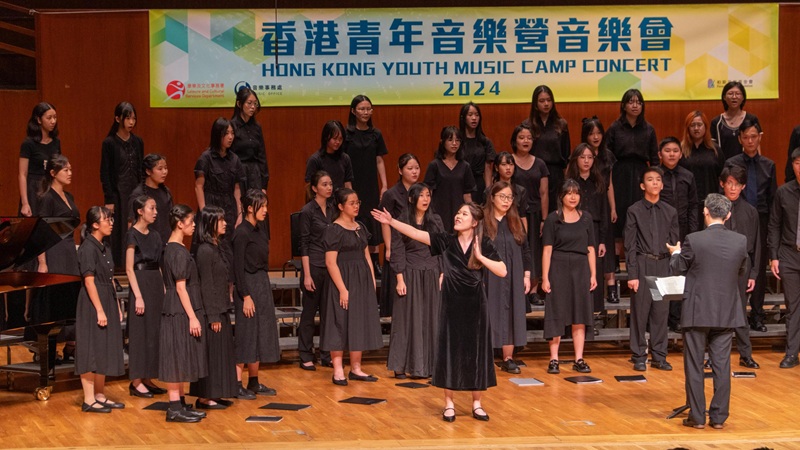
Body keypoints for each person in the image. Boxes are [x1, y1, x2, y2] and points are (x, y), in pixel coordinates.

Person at [372, 202, 507, 423]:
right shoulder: (447, 240)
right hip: (451, 302)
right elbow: (417, 233)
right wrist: (391, 222)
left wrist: (481, 257)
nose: (458, 216)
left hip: (475, 304)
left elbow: (502, 271)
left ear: (474, 222)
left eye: (464, 214)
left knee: (476, 351)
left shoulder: (483, 243)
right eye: (458, 212)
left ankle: (477, 403)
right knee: (449, 350)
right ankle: (449, 403)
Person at [668, 193, 748, 430]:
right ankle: (719, 417)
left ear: (705, 211)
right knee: (722, 365)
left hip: (698, 311)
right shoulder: (740, 240)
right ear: (728, 215)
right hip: (726, 311)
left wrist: (675, 252)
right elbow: (742, 270)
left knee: (694, 365)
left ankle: (697, 417)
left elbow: (677, 267)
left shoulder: (694, 239)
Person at [322, 188, 383, 386]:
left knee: (359, 321)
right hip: (342, 280)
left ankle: (356, 368)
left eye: (358, 203)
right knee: (339, 322)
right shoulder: (334, 229)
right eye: (352, 203)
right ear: (341, 206)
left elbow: (367, 257)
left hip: (361, 280)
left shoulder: (360, 227)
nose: (356, 206)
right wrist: (342, 289)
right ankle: (338, 369)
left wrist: (371, 282)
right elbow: (330, 262)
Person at [387, 183, 444, 379]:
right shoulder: (402, 220)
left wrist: (442, 273)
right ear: (412, 199)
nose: (426, 199)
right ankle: (401, 365)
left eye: (428, 195)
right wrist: (400, 278)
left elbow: (441, 248)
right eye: (422, 195)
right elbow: (397, 250)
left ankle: (429, 366)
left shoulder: (435, 220)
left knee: (431, 319)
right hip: (410, 273)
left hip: (431, 272)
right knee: (406, 319)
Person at [625, 167, 679, 371]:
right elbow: (630, 245)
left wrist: (674, 271)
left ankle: (659, 355)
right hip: (643, 263)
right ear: (642, 185)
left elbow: (674, 244)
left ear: (662, 185)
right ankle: (639, 355)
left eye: (658, 179)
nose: (655, 183)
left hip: (663, 264)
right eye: (650, 179)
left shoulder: (670, 211)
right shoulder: (634, 210)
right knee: (640, 313)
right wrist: (632, 274)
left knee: (660, 313)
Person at [725, 119, 776, 333]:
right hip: (737, 216)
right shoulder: (731, 163)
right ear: (740, 139)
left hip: (761, 219)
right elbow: (726, 192)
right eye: (745, 137)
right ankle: (732, 316)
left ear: (760, 137)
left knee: (759, 269)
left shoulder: (768, 165)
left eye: (754, 136)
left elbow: (772, 199)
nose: (750, 141)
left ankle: (757, 315)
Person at [541, 179, 597, 373]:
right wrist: (545, 277)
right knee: (557, 311)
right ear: (561, 196)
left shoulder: (587, 218)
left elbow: (591, 248)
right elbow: (547, 250)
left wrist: (593, 274)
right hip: (558, 266)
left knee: (579, 314)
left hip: (581, 268)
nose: (573, 197)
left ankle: (579, 358)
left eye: (576, 193)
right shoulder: (553, 219)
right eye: (569, 193)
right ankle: (554, 359)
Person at [160, 204, 208, 423]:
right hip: (178, 309)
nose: (194, 225)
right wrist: (193, 317)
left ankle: (180, 403)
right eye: (190, 221)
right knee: (176, 356)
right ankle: (174, 408)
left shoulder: (174, 248)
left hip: (175, 306)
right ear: (180, 224)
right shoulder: (177, 251)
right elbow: (180, 288)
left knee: (179, 354)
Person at [75, 206, 125, 413]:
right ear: (95, 224)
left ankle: (99, 395)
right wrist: (100, 310)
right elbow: (89, 282)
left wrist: (115, 305)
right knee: (91, 349)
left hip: (107, 298)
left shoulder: (105, 246)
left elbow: (110, 278)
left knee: (103, 347)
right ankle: (88, 400)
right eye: (107, 220)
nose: (111, 223)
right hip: (92, 302)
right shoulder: (88, 248)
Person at [190, 206, 239, 409]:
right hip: (213, 311)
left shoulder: (216, 247)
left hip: (221, 308)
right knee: (212, 355)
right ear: (210, 223)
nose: (225, 223)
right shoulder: (204, 250)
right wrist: (213, 316)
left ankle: (216, 394)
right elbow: (206, 285)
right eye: (220, 220)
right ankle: (205, 397)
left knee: (220, 354)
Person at [233, 189, 280, 396]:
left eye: (267, 206)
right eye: (263, 206)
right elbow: (237, 267)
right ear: (250, 208)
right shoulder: (241, 233)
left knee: (260, 332)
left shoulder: (260, 230)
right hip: (247, 285)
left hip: (261, 282)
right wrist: (246, 296)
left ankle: (254, 381)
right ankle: (236, 384)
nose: (266, 210)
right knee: (246, 334)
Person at [34, 155, 79, 361]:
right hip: (54, 252)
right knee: (55, 302)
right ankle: (48, 351)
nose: (70, 173)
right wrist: (42, 262)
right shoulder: (47, 198)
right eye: (65, 170)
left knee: (71, 299)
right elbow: (40, 233)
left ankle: (71, 346)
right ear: (53, 173)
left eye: (70, 169)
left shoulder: (68, 196)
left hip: (69, 251)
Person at [483, 181, 531, 374]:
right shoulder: (483, 222)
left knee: (512, 312)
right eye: (502, 196)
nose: (506, 201)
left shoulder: (515, 221)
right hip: (489, 276)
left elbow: (526, 250)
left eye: (509, 197)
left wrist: (527, 275)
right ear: (492, 198)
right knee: (489, 311)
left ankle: (508, 358)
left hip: (514, 274)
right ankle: (485, 356)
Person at [720, 166, 761, 369]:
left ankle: (745, 355)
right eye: (729, 183)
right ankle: (715, 356)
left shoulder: (751, 211)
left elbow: (757, 245)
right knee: (718, 312)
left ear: (743, 186)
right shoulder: (714, 209)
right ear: (722, 184)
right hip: (718, 269)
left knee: (740, 312)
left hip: (742, 268)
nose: (733, 188)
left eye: (737, 184)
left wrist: (753, 273)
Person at [657, 137, 699, 333]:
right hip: (660, 230)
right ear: (660, 154)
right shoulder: (655, 176)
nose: (672, 154)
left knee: (679, 274)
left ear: (681, 154)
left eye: (675, 150)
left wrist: (692, 232)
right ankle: (658, 318)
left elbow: (693, 205)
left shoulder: (688, 176)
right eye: (667, 150)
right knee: (661, 273)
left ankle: (676, 318)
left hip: (683, 230)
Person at [125, 195, 166, 398]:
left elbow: (158, 265)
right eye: (151, 208)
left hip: (155, 284)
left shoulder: (156, 235)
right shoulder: (132, 234)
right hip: (140, 283)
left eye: (156, 208)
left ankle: (148, 378)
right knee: (140, 334)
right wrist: (138, 296)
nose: (155, 212)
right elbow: (129, 268)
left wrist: (164, 288)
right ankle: (136, 382)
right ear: (140, 211)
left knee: (154, 333)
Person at [344, 95, 389, 274]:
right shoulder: (346, 134)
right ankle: (356, 260)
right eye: (362, 109)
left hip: (371, 184)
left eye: (369, 109)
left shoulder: (376, 134)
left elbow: (379, 160)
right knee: (355, 218)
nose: (366, 112)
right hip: (353, 184)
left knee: (372, 220)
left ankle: (375, 262)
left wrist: (384, 185)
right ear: (353, 111)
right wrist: (347, 187)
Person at [194, 117, 245, 274]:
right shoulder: (206, 158)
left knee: (229, 250)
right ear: (217, 135)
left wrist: (240, 213)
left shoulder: (235, 159)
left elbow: (237, 189)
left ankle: (230, 287)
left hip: (229, 206)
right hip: (211, 205)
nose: (230, 137)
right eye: (226, 133)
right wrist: (204, 213)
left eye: (232, 133)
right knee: (210, 247)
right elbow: (198, 186)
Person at [606, 89, 659, 239]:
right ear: (623, 105)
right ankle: (618, 249)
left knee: (640, 209)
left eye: (638, 102)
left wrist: (655, 179)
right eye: (631, 102)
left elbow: (654, 158)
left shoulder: (649, 129)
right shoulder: (615, 128)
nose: (635, 106)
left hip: (641, 172)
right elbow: (607, 155)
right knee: (620, 211)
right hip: (619, 172)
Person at [298, 171, 335, 371]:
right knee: (309, 313)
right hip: (313, 265)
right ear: (314, 188)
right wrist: (307, 275)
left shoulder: (333, 208)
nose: (329, 187)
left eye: (330, 184)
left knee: (329, 313)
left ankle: (326, 354)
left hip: (330, 266)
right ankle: (305, 354)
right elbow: (303, 244)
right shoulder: (307, 211)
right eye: (324, 184)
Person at [100, 101, 144, 268]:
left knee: (136, 225)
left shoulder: (138, 141)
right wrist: (109, 199)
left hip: (136, 191)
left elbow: (141, 169)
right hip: (118, 194)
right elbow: (105, 173)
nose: (131, 122)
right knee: (119, 230)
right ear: (118, 119)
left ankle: (136, 264)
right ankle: (119, 266)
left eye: (134, 119)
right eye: (128, 118)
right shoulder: (109, 143)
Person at [565, 144, 608, 314]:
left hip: (595, 229)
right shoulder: (569, 183)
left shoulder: (599, 182)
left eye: (590, 157)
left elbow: (604, 212)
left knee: (594, 269)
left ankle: (594, 313)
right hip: (574, 229)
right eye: (582, 157)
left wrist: (602, 241)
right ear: (576, 159)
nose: (586, 161)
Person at [377, 154, 421, 318]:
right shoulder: (391, 194)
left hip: (417, 245)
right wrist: (389, 247)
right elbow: (384, 222)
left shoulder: (422, 192)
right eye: (410, 168)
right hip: (398, 244)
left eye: (417, 168)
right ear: (400, 170)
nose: (414, 172)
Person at [767, 148, 800, 369]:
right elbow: (774, 225)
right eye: (797, 163)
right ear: (792, 165)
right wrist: (774, 257)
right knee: (793, 307)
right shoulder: (783, 192)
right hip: (789, 254)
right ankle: (792, 353)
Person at [582, 117, 619, 304]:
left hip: (604, 203)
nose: (595, 137)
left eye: (598, 133)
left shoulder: (607, 155)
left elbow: (609, 184)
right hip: (588, 202)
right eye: (591, 133)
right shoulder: (582, 154)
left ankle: (611, 287)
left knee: (607, 245)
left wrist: (613, 207)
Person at [510, 124, 549, 303]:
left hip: (534, 213)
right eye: (521, 137)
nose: (525, 141)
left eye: (529, 138)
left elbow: (544, 193)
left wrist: (544, 219)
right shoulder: (508, 161)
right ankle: (517, 288)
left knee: (533, 250)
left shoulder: (540, 163)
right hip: (513, 213)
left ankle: (533, 290)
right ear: (514, 140)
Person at [523, 85, 569, 212]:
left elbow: (566, 155)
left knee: (555, 210)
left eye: (549, 100)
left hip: (555, 173)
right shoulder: (527, 125)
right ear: (535, 104)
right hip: (534, 172)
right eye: (542, 101)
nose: (546, 104)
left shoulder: (561, 124)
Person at [424, 126, 476, 232]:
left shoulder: (465, 166)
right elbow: (429, 192)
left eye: (457, 140)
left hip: (459, 211)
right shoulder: (434, 165)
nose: (454, 143)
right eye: (450, 140)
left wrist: (472, 213)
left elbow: (467, 195)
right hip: (438, 211)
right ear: (443, 142)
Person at [680, 111, 725, 222]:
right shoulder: (681, 150)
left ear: (705, 127)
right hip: (687, 204)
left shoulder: (715, 150)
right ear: (687, 128)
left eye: (699, 125)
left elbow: (722, 176)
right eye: (692, 125)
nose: (696, 128)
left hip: (711, 204)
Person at [19, 102, 60, 218]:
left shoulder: (56, 142)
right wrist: (25, 203)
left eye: (55, 117)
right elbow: (22, 174)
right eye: (49, 118)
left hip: (50, 187)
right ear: (39, 120)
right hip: (33, 189)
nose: (53, 121)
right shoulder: (28, 143)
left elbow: (58, 169)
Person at [230, 87, 269, 194]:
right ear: (239, 104)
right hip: (238, 173)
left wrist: (264, 185)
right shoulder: (232, 126)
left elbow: (262, 156)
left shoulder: (257, 127)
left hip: (255, 174)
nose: (253, 107)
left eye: (255, 104)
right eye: (249, 103)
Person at [128, 154, 173, 245]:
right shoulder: (138, 194)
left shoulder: (166, 191)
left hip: (166, 243)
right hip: (147, 245)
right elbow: (131, 223)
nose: (164, 172)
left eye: (165, 168)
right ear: (148, 171)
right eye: (160, 169)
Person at [710, 81, 760, 160]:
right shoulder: (716, 122)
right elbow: (713, 149)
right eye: (730, 93)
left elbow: (757, 145)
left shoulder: (752, 119)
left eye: (738, 94)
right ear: (724, 97)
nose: (734, 97)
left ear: (743, 97)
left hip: (746, 165)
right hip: (723, 165)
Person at [459, 101, 496, 204]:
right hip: (461, 182)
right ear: (463, 118)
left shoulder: (485, 141)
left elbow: (488, 168)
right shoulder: (457, 141)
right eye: (470, 115)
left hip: (478, 183)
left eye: (477, 115)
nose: (474, 118)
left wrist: (488, 191)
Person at [305, 120, 353, 190]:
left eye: (340, 139)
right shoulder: (315, 160)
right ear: (326, 137)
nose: (338, 142)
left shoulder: (345, 158)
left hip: (340, 196)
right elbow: (310, 186)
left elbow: (348, 184)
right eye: (335, 138)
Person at [490, 151, 528, 227]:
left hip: (515, 228)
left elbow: (523, 217)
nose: (508, 168)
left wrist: (524, 234)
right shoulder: (489, 191)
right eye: (504, 164)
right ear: (496, 168)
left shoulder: (521, 191)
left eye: (511, 164)